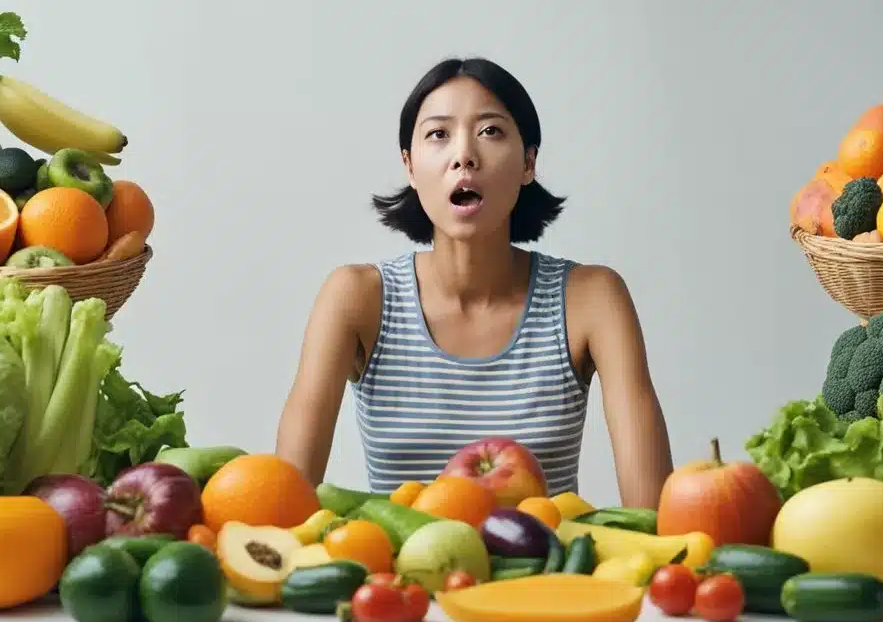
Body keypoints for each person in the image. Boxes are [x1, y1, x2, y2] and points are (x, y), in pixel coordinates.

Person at [275, 56, 673, 507]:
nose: (463, 155)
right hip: (398, 578)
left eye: (490, 131)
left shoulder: (592, 298)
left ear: (528, 163)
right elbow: (286, 503)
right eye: (438, 134)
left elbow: (653, 519)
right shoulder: (356, 298)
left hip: (550, 577)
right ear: (409, 165)